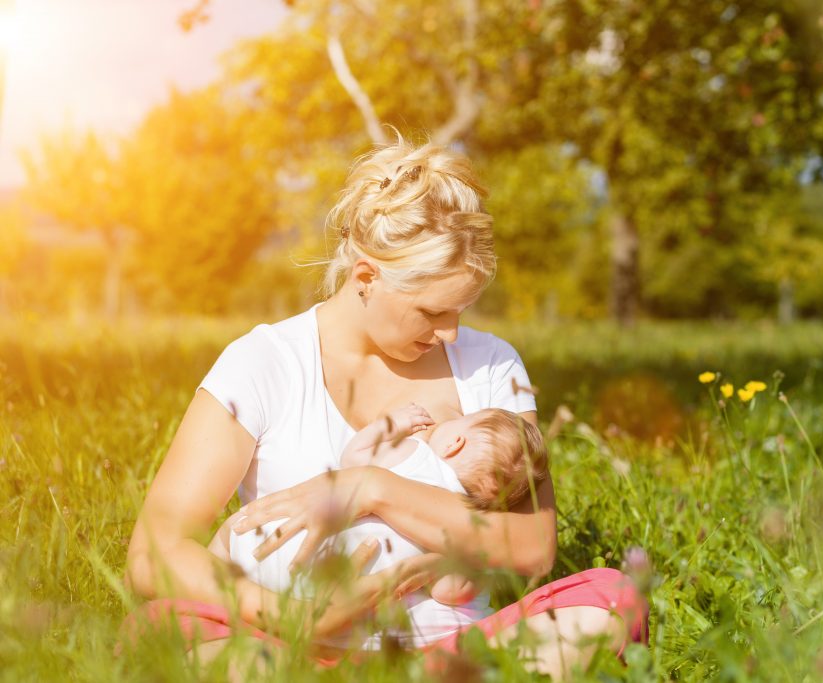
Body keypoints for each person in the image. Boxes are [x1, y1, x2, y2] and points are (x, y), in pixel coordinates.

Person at [122, 135, 648, 678]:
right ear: (367, 276)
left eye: (462, 311)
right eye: (432, 311)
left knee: (610, 599)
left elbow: (532, 546)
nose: (450, 333)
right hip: (287, 644)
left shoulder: (492, 365)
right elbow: (154, 551)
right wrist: (299, 617)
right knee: (170, 629)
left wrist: (373, 487)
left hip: (451, 651)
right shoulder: (264, 362)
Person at [208, 402, 549, 650]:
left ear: (455, 443)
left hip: (272, 561)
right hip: (336, 603)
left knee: (233, 546)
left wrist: (391, 425)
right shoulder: (465, 521)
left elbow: (353, 456)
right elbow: (450, 591)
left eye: (462, 420)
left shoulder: (415, 455)